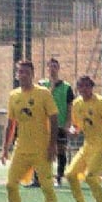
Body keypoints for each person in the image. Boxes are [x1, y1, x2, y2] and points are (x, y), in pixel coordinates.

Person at [0, 59, 62, 202]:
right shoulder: (14, 95)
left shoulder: (43, 93)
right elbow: (11, 123)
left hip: (41, 149)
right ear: (16, 74)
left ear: (32, 74)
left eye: (27, 72)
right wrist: (5, 148)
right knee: (10, 184)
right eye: (20, 72)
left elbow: (54, 119)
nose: (23, 75)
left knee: (47, 187)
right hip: (21, 149)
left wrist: (52, 145)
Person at [36, 58, 75, 187]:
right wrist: (51, 87)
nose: (52, 69)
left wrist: (68, 123)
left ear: (58, 69)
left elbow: (70, 106)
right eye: (50, 67)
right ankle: (38, 178)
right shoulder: (42, 85)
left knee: (61, 151)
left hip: (60, 123)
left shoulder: (66, 87)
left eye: (55, 67)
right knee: (40, 151)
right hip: (44, 124)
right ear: (47, 68)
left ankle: (59, 178)